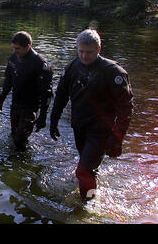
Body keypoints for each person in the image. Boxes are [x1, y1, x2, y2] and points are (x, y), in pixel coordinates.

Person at [50, 29, 133, 201]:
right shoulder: (73, 67)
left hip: (101, 130)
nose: (84, 56)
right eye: (80, 51)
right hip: (80, 126)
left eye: (89, 52)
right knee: (87, 167)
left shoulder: (113, 72)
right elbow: (61, 95)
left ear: (98, 49)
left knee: (83, 170)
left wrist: (118, 137)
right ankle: (90, 188)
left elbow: (125, 108)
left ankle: (87, 204)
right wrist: (54, 119)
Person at [0, 31, 53, 151]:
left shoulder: (41, 65)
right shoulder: (13, 58)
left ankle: (22, 164)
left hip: (30, 107)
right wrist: (1, 100)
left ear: (27, 47)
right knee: (14, 135)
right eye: (13, 48)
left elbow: (47, 92)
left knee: (19, 139)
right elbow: (8, 81)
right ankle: (15, 159)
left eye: (17, 48)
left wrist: (43, 115)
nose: (14, 51)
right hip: (16, 104)